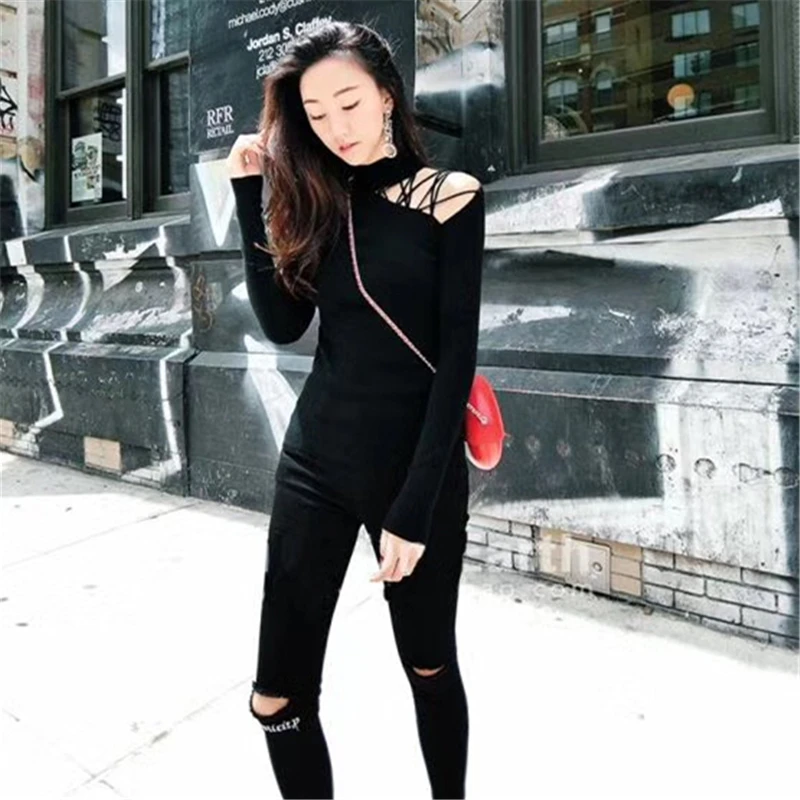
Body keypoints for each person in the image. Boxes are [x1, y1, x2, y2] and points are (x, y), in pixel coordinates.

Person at [226, 19, 485, 800]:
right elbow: (283, 326)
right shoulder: (316, 198)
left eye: (349, 102)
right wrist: (250, 195)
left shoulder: (449, 198)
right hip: (315, 464)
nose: (335, 126)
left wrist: (413, 511)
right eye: (315, 113)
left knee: (429, 666)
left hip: (415, 474)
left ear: (386, 96)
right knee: (275, 697)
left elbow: (455, 362)